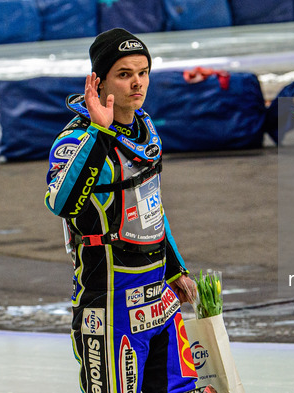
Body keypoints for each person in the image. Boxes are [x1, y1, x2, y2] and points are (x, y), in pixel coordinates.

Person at [44, 28, 204, 393]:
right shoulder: (74, 140)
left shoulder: (145, 130)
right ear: (98, 82)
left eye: (143, 72)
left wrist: (176, 267)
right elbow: (61, 203)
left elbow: (152, 205)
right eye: (124, 74)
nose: (137, 83)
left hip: (158, 297)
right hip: (109, 301)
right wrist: (100, 134)